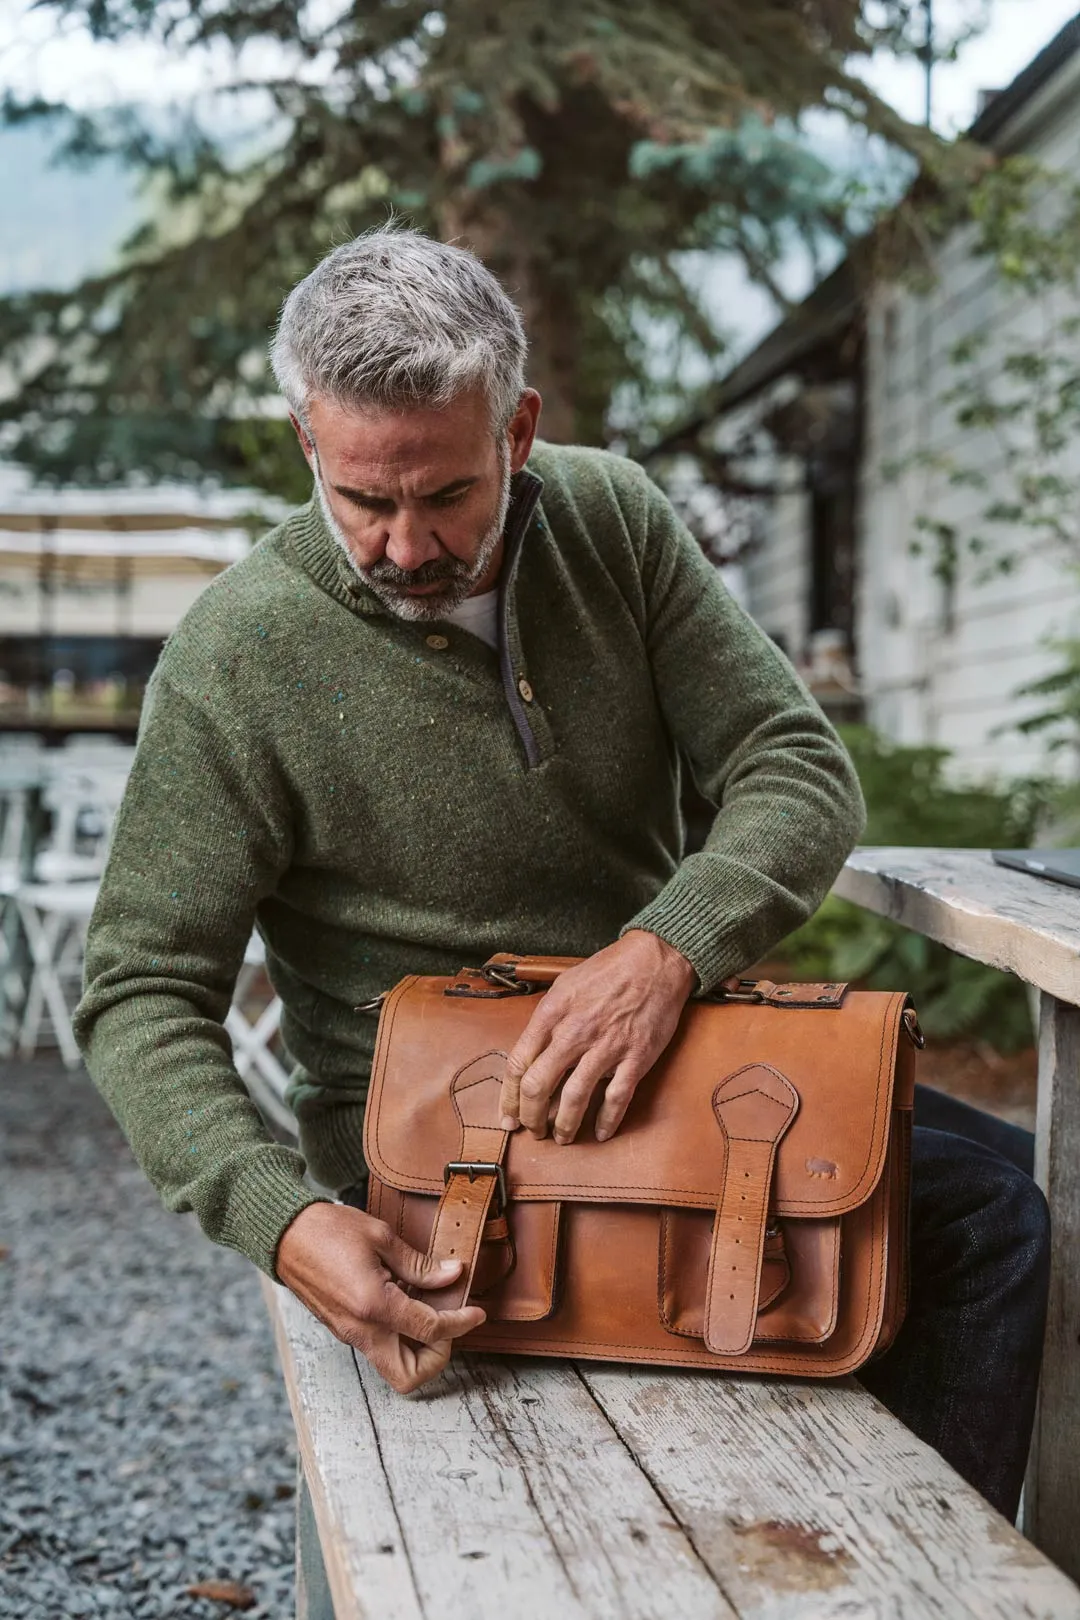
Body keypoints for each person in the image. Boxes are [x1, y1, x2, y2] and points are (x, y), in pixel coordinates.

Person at [74, 227, 1048, 1523]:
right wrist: (284, 1218)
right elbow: (139, 993)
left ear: (517, 429)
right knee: (954, 1230)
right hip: (426, 1149)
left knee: (1014, 1209)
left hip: (674, 1074)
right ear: (309, 439)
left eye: (446, 495)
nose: (407, 546)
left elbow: (795, 769)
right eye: (364, 498)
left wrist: (668, 951)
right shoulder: (232, 659)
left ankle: (908, 1577)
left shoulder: (616, 527)